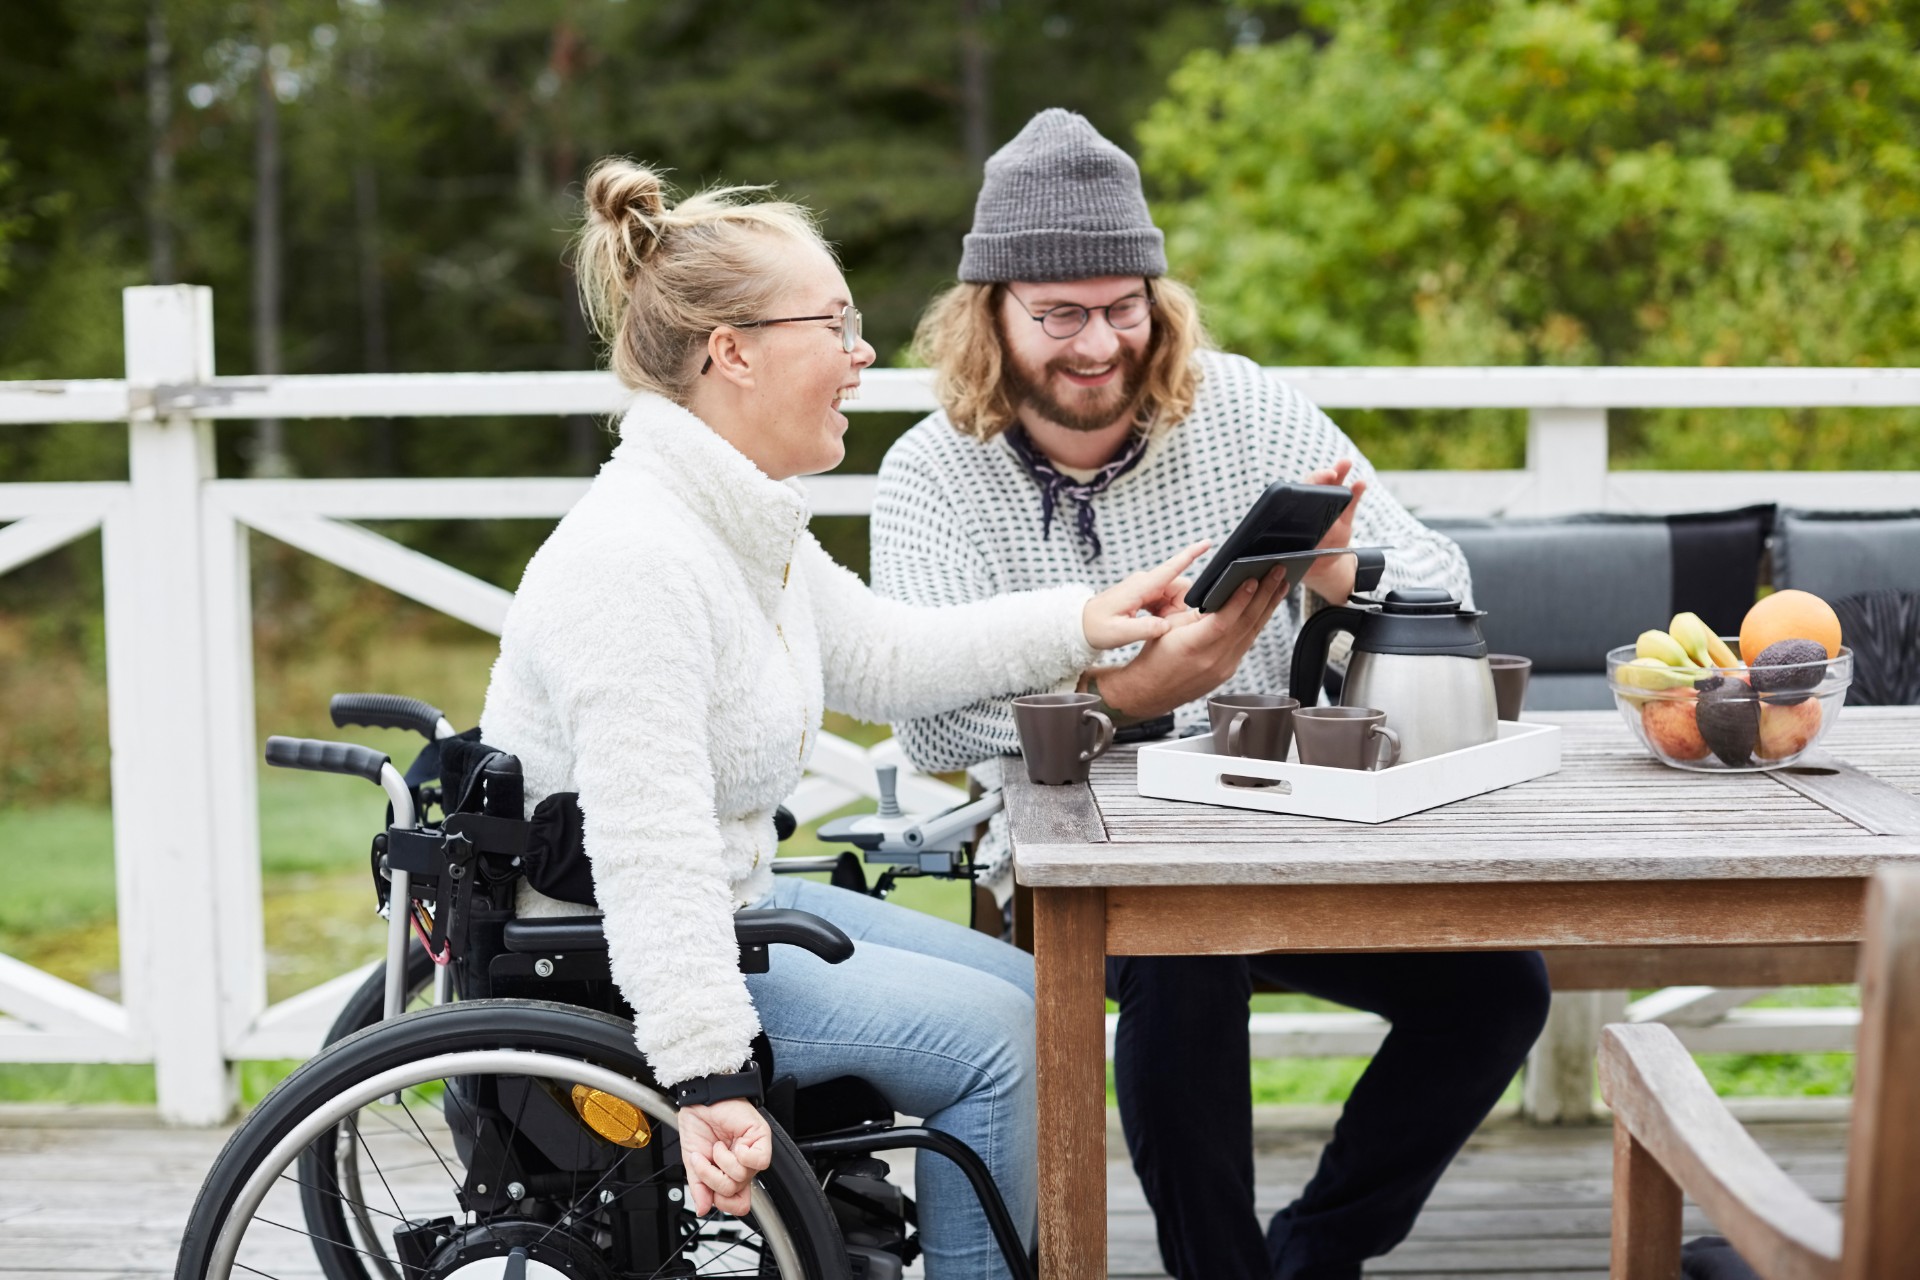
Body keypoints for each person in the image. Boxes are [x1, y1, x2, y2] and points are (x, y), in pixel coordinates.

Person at [478, 156, 1204, 1280]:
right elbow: (651, 850)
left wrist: (1087, 617)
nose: (865, 353)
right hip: (619, 957)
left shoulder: (728, 517)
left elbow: (887, 652)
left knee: (1037, 991)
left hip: (731, 897)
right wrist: (711, 1075)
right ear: (735, 351)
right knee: (1009, 1045)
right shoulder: (636, 559)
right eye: (837, 322)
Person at [871, 109, 1553, 1280]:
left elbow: (1447, 581)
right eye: (1062, 315)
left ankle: (1312, 1253)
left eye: (1124, 304)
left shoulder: (1239, 404)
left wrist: (1342, 570)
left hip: (1292, 821)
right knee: (1183, 970)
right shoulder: (929, 472)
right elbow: (932, 722)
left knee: (1499, 990)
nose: (1099, 343)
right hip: (1086, 847)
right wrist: (1134, 694)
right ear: (990, 313)